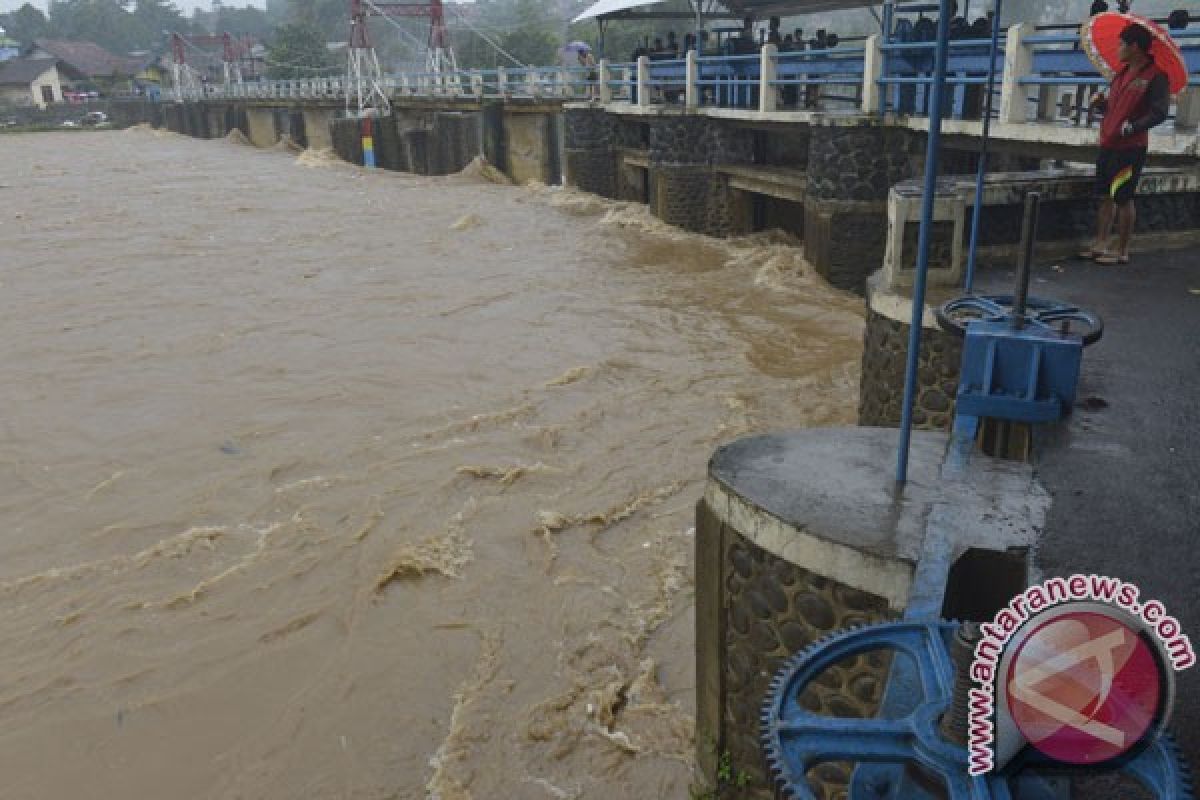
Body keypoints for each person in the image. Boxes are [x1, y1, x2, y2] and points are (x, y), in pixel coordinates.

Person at [1081, 23, 1170, 265]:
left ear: (1135, 47)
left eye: (1121, 44)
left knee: (1122, 196)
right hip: (1108, 142)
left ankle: (1121, 250)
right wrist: (1100, 103)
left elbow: (1160, 112)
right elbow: (1113, 107)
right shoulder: (1121, 74)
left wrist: (1134, 127)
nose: (1118, 49)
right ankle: (1101, 242)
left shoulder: (1155, 77)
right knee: (1104, 195)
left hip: (1131, 147)